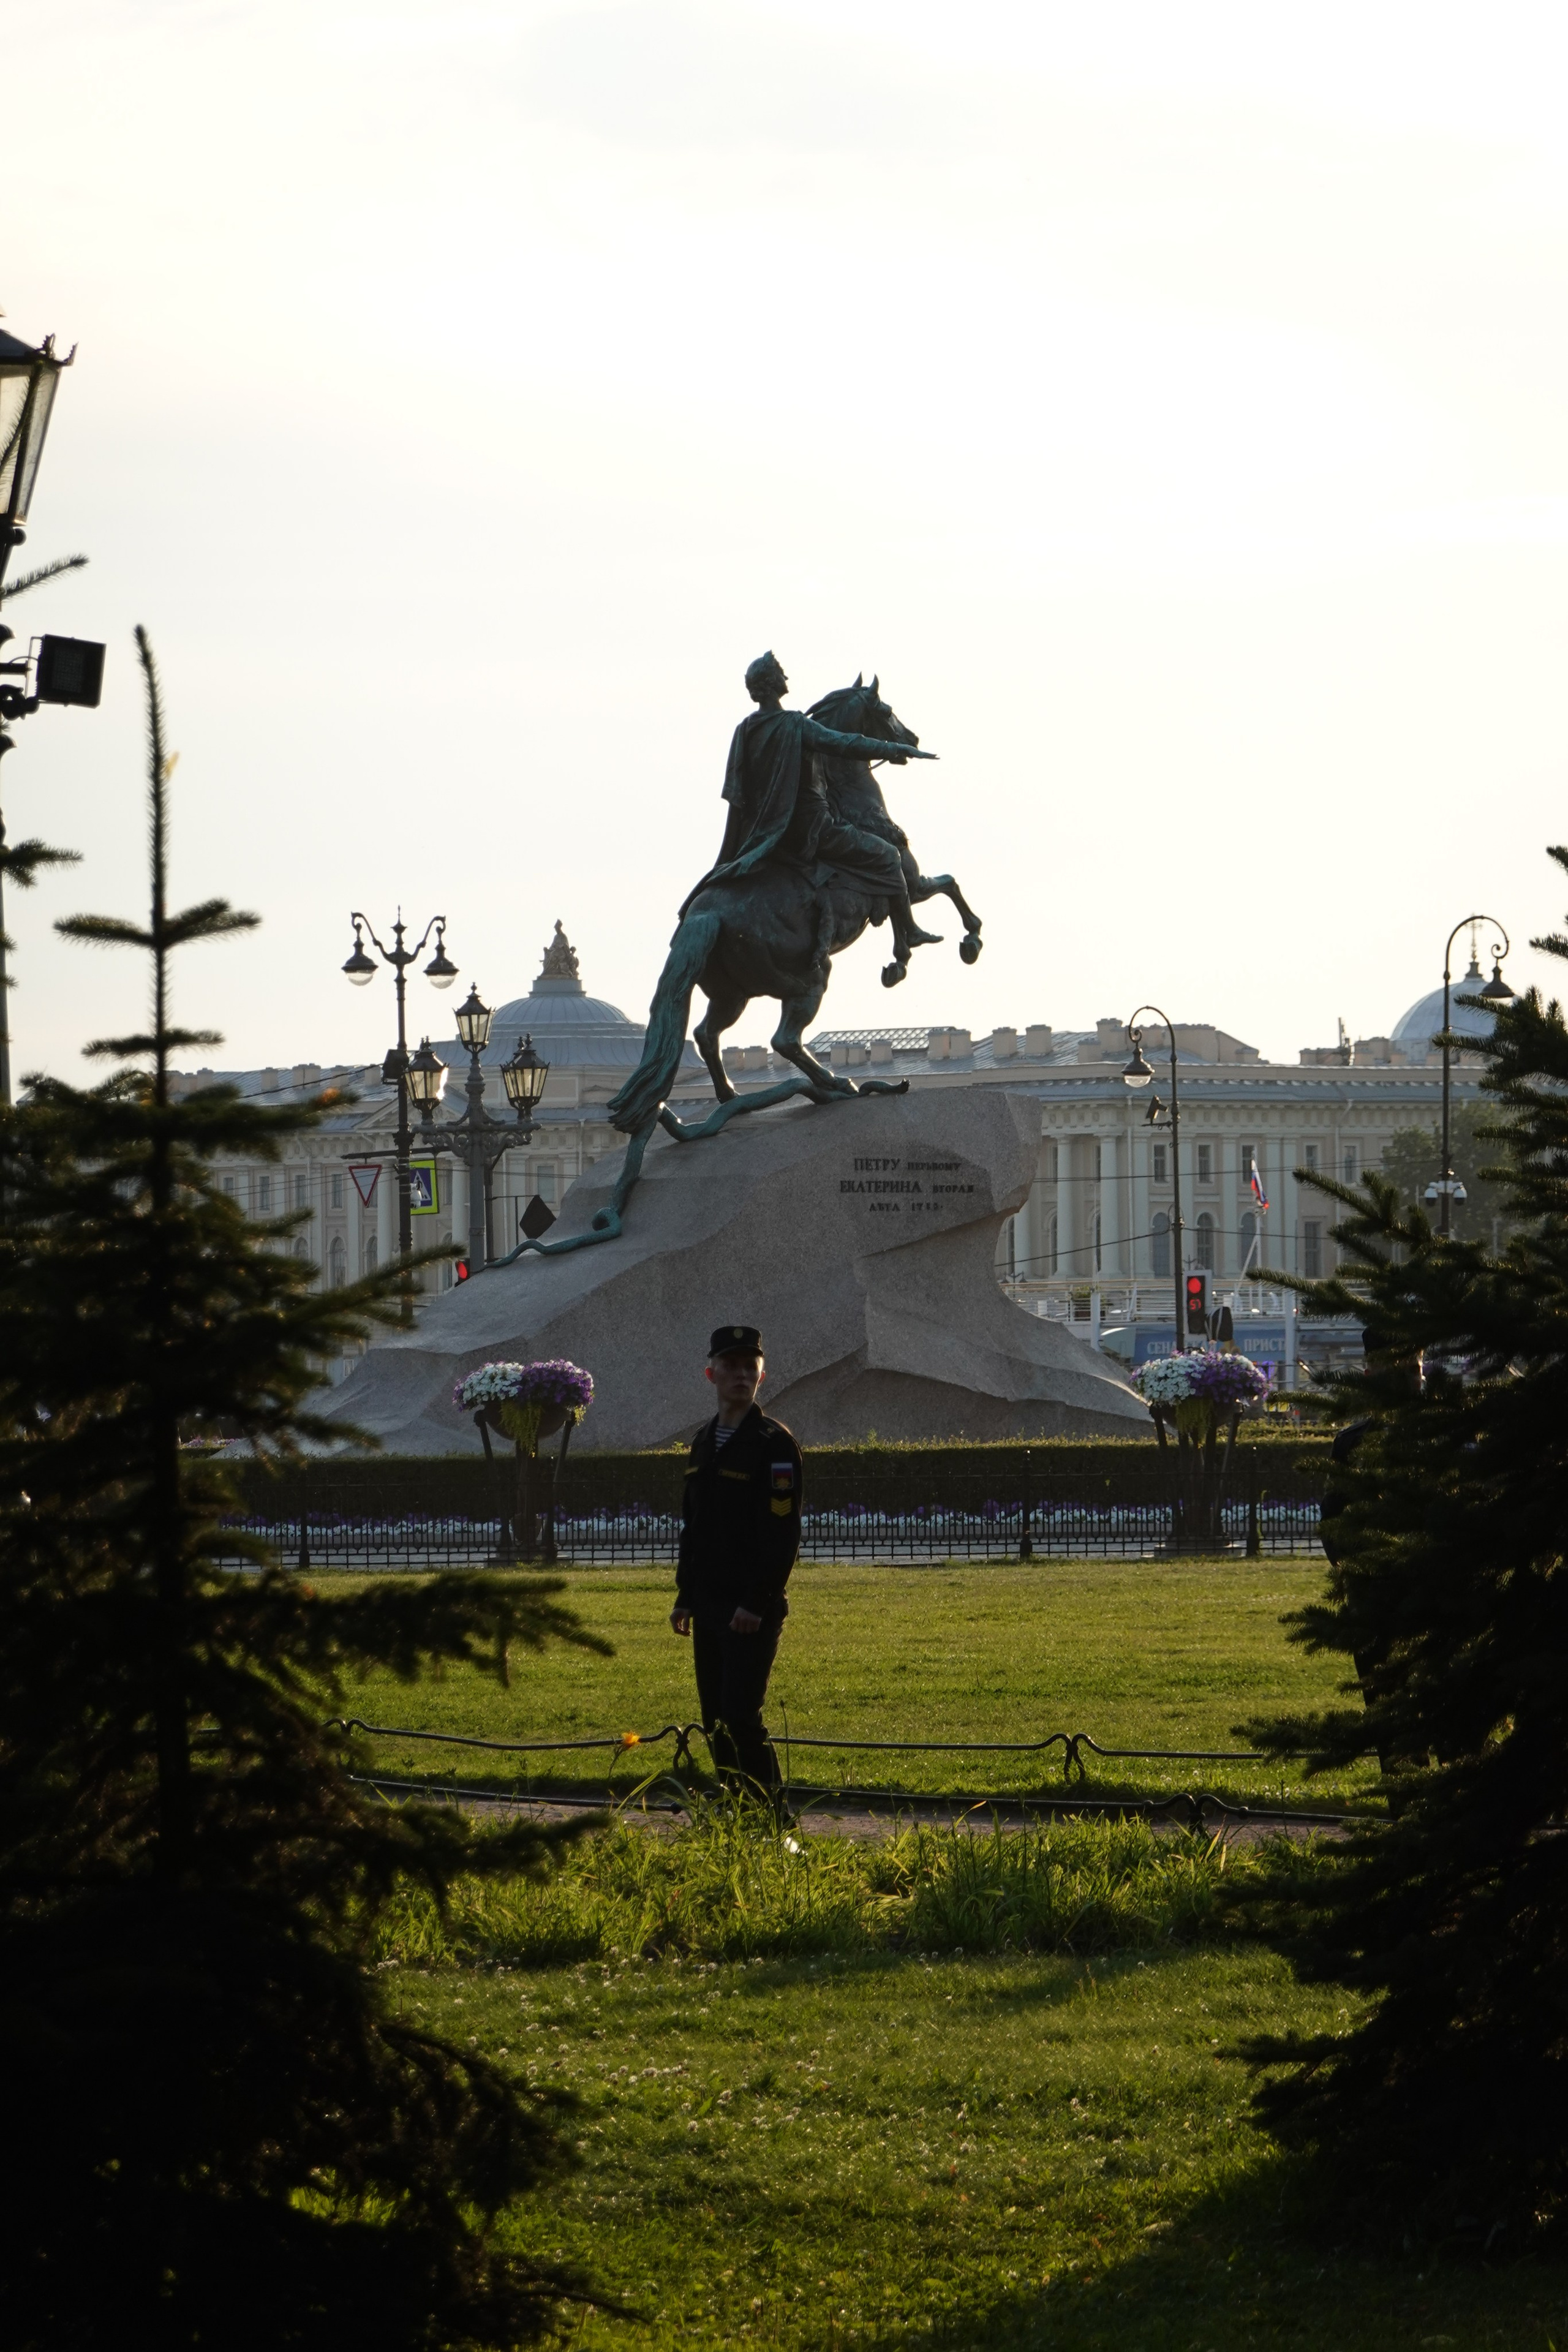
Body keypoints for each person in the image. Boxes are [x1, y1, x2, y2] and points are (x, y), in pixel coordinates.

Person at [681, 651, 942, 965]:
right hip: (814, 829)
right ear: (773, 684)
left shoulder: (745, 730)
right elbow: (846, 744)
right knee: (889, 856)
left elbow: (737, 795)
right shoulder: (794, 724)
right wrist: (895, 748)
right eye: (781, 673)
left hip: (765, 835)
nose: (786, 677)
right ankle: (909, 932)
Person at [671, 1324, 802, 1801]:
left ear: (761, 1378)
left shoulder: (773, 1443)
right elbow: (695, 1527)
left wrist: (756, 1601)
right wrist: (686, 1595)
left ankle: (772, 1818)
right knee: (715, 1722)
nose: (742, 1375)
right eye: (731, 1366)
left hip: (749, 1610)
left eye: (751, 1367)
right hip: (709, 1604)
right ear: (711, 1374)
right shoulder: (704, 1441)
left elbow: (782, 1533)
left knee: (742, 1718)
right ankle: (737, 1813)